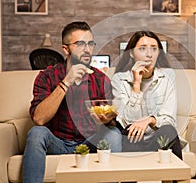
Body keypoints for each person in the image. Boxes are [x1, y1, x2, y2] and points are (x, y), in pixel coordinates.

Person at [23, 21, 122, 183]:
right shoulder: (47, 76)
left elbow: (109, 120)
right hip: (58, 143)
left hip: (89, 141)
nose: (87, 49)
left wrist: (106, 120)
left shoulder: (100, 79)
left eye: (90, 44)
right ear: (65, 49)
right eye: (80, 44)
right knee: (36, 133)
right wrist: (66, 82)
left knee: (114, 135)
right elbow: (39, 119)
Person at [111, 30, 182, 159]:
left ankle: (177, 177)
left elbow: (169, 120)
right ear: (131, 53)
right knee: (129, 131)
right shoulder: (119, 79)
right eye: (142, 49)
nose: (149, 54)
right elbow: (126, 121)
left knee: (167, 130)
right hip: (132, 139)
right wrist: (136, 85)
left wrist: (150, 120)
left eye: (154, 49)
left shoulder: (168, 76)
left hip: (158, 138)